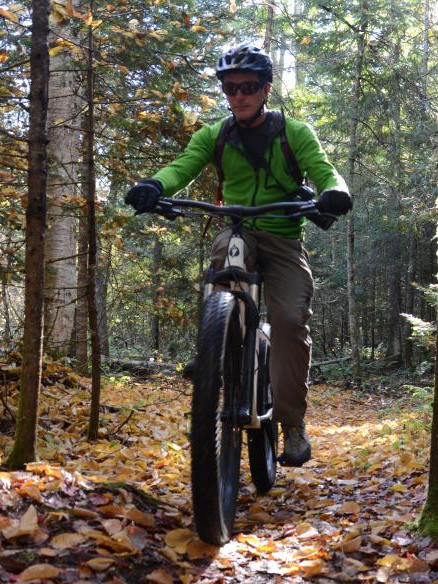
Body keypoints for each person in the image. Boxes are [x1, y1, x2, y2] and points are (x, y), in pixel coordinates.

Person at [125, 43, 352, 467]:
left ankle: (292, 424)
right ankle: (217, 349)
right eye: (230, 88)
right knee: (223, 262)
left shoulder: (295, 132)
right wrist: (155, 185)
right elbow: (184, 166)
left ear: (265, 89)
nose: (239, 95)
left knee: (287, 321)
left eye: (248, 86)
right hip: (238, 230)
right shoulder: (215, 135)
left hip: (284, 236)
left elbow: (322, 168)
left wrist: (334, 191)